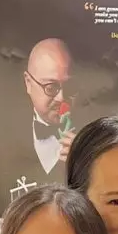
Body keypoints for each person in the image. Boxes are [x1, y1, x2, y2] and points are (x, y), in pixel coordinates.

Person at [24, 38, 77, 176]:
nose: (61, 98)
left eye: (70, 86)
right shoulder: (1, 135)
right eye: (51, 87)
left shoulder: (94, 134)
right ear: (28, 83)